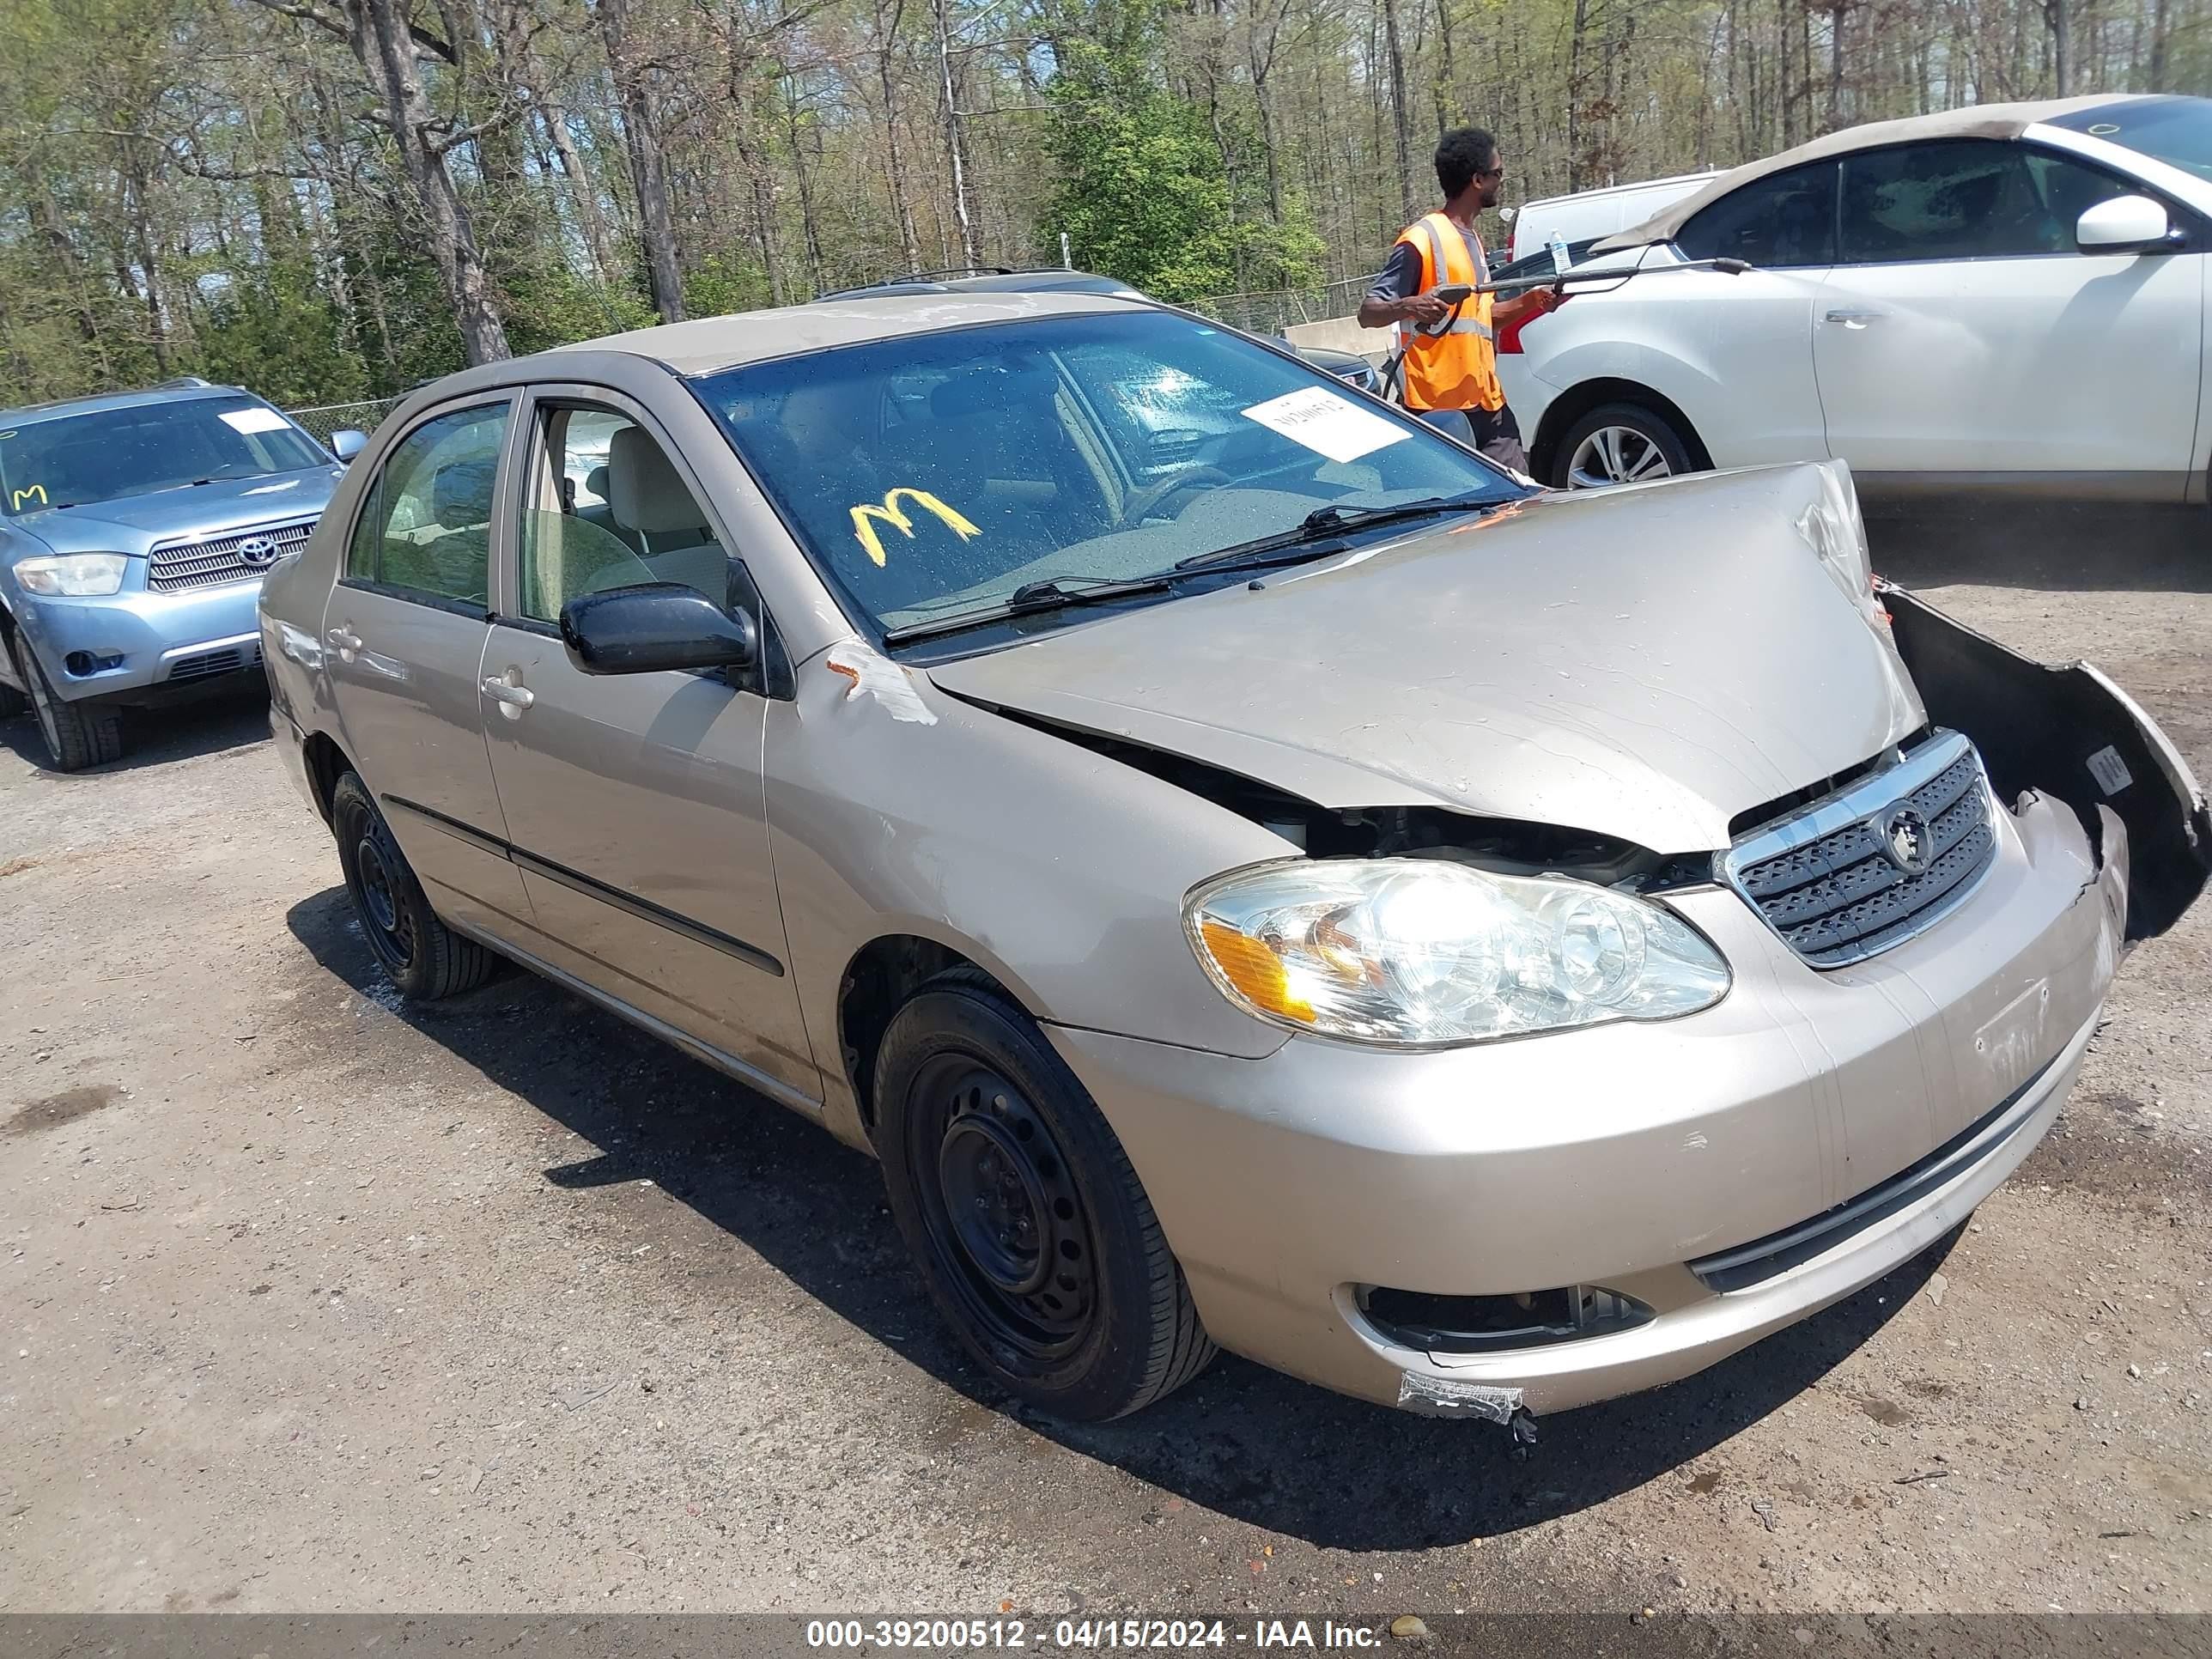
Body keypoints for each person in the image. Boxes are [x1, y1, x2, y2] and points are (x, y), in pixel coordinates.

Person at [1358, 127, 1563, 473]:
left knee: (1518, 499)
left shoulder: (1472, 241)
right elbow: (1368, 313)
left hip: (1487, 401)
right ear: (1477, 180)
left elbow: (1481, 319)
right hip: (1439, 411)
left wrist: (1532, 301)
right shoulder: (1421, 239)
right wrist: (1410, 305)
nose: (1502, 180)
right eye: (1498, 173)